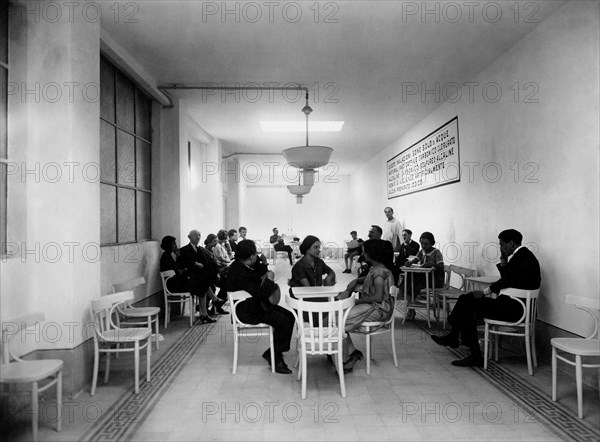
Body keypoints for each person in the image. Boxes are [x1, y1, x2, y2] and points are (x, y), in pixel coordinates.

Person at [431, 229, 541, 367]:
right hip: (512, 305)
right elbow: (508, 278)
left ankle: (462, 342)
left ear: (512, 243)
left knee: (469, 304)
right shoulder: (523, 256)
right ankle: (457, 340)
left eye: (502, 244)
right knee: (467, 300)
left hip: (516, 309)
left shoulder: (522, 258)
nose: (500, 247)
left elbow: (506, 281)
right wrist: (503, 260)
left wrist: (485, 292)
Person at [225, 239, 295, 374]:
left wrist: (262, 262)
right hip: (246, 312)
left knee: (290, 316)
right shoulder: (240, 273)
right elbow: (262, 294)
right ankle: (276, 357)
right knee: (284, 321)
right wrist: (269, 279)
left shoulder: (242, 263)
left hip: (254, 305)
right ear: (251, 257)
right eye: (255, 255)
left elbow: (260, 267)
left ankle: (273, 351)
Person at [338, 239, 395, 372]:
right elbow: (369, 279)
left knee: (338, 319)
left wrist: (354, 302)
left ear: (372, 253)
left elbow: (378, 297)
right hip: (375, 307)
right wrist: (357, 280)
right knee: (338, 317)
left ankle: (346, 358)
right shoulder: (377, 269)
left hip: (378, 309)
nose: (362, 252)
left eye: (364, 250)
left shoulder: (379, 272)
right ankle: (351, 353)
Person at [179, 230, 221, 324]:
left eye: (199, 235)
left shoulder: (202, 250)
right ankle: (214, 301)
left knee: (203, 283)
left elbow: (211, 261)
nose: (198, 237)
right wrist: (195, 263)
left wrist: (217, 272)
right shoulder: (184, 250)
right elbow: (182, 264)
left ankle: (205, 314)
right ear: (189, 237)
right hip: (188, 279)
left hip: (199, 279)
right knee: (203, 283)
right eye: (195, 235)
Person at [403, 231, 445, 320]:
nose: (423, 246)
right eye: (422, 243)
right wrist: (410, 263)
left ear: (431, 243)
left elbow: (441, 266)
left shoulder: (436, 252)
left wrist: (432, 264)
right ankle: (411, 308)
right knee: (408, 280)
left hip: (435, 280)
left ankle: (411, 309)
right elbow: (416, 259)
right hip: (424, 278)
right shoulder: (422, 252)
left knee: (412, 283)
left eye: (426, 244)